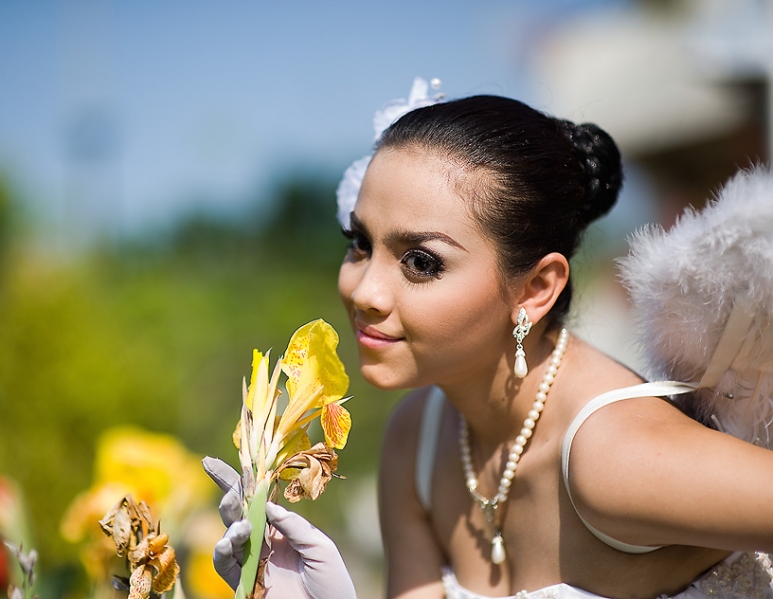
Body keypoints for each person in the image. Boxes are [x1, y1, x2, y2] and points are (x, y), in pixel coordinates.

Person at [207, 79, 773, 599]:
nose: (364, 289)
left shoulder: (613, 456)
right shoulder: (418, 439)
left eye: (421, 262)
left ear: (535, 288)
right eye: (359, 242)